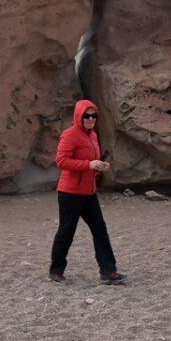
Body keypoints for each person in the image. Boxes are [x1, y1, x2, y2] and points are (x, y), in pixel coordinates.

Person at [48, 99, 127, 285]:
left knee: (100, 230)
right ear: (79, 116)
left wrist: (99, 166)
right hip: (70, 192)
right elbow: (61, 161)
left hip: (88, 191)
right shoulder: (70, 135)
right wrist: (88, 164)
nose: (91, 119)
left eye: (94, 116)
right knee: (66, 231)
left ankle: (108, 272)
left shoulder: (92, 135)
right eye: (86, 115)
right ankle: (56, 271)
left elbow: (90, 162)